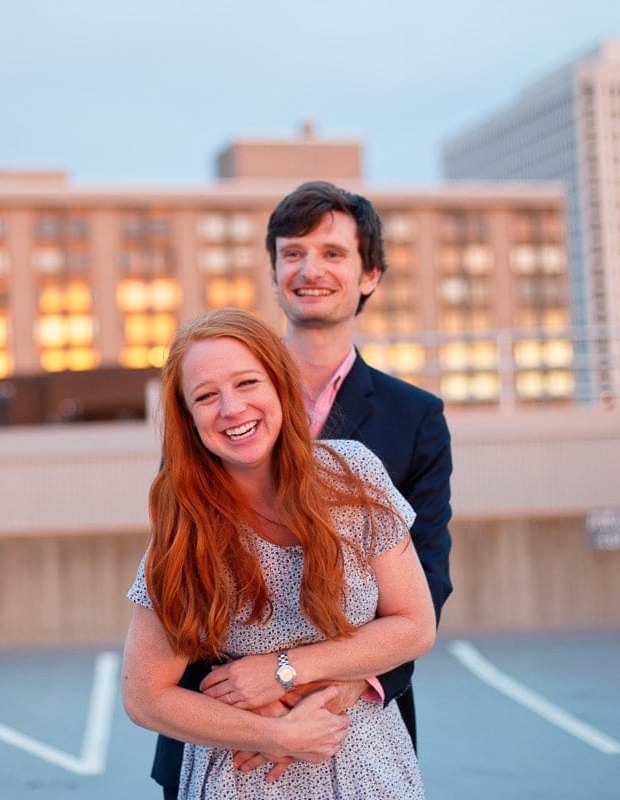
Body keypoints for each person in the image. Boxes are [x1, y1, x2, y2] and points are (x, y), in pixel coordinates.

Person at [151, 181, 454, 797]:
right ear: (273, 272)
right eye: (293, 253)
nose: (310, 269)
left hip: (354, 725)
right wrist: (255, 713)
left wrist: (329, 686)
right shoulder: (213, 394)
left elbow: (426, 578)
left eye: (333, 253)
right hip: (227, 737)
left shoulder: (413, 417)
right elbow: (187, 564)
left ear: (370, 275)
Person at [121, 308, 436, 799]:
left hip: (368, 766)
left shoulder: (353, 474)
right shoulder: (187, 524)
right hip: (247, 778)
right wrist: (278, 735)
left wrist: (285, 670)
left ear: (280, 385)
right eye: (206, 396)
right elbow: (145, 695)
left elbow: (415, 624)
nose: (231, 408)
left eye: (247, 383)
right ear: (188, 419)